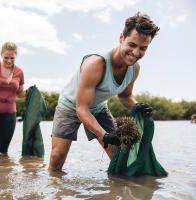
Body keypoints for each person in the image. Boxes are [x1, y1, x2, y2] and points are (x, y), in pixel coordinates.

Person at [48, 12, 159, 171]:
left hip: (99, 108)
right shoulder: (96, 64)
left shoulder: (134, 69)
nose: (136, 53)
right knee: (56, 157)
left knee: (118, 156)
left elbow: (125, 96)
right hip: (71, 106)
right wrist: (105, 135)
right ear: (121, 38)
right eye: (132, 45)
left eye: (143, 48)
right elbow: (81, 109)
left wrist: (137, 107)